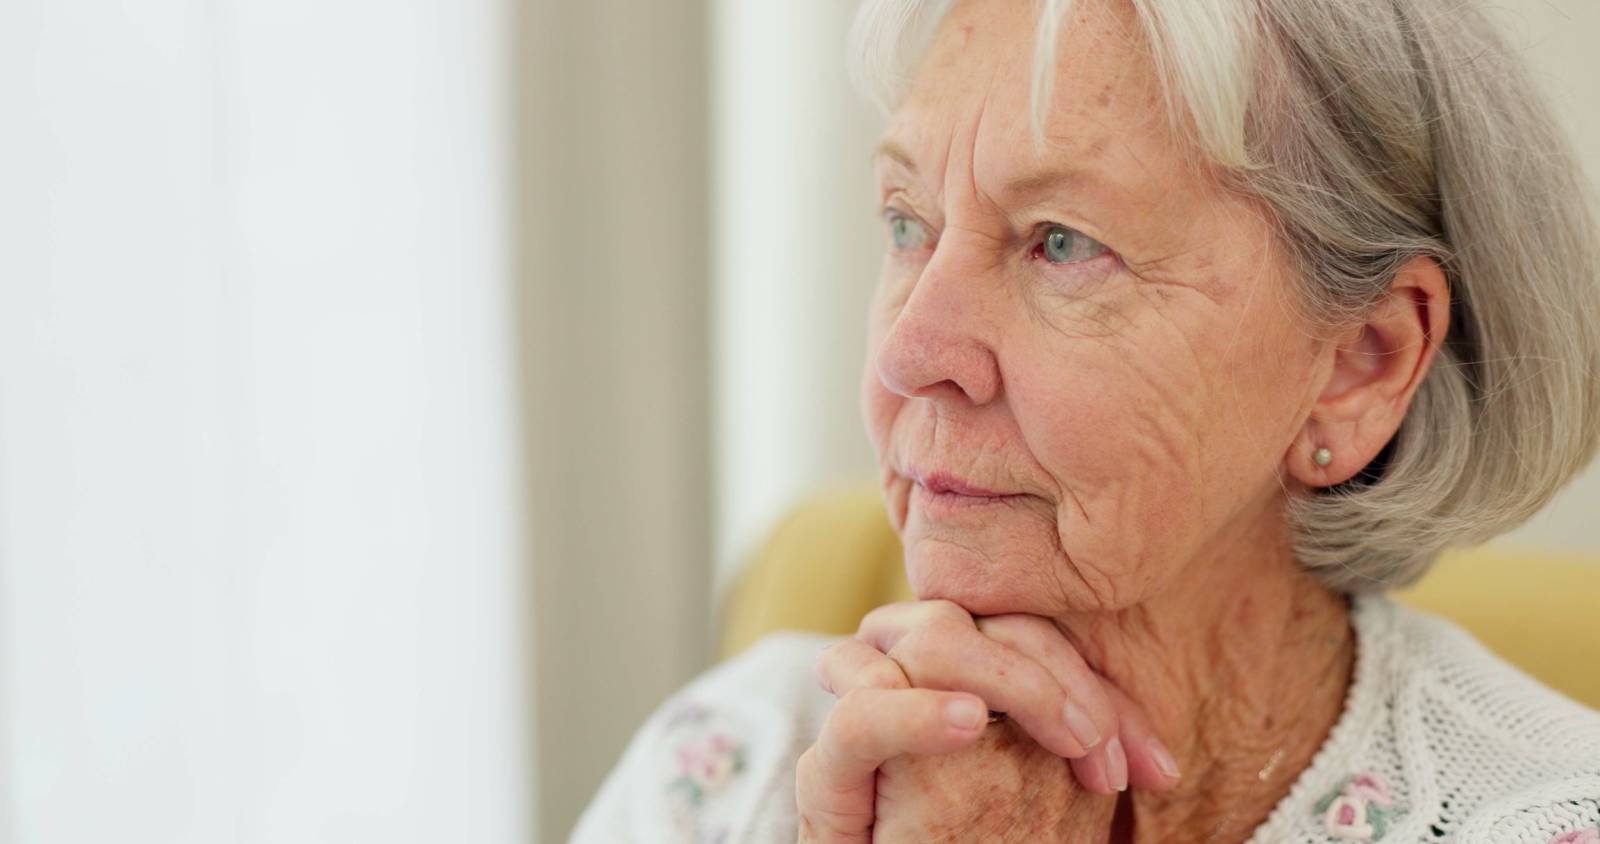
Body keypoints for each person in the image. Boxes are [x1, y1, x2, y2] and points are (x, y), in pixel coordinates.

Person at [575, 0, 1600, 840]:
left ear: (1359, 365)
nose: (910, 354)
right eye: (907, 222)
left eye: (1061, 243)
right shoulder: (728, 764)